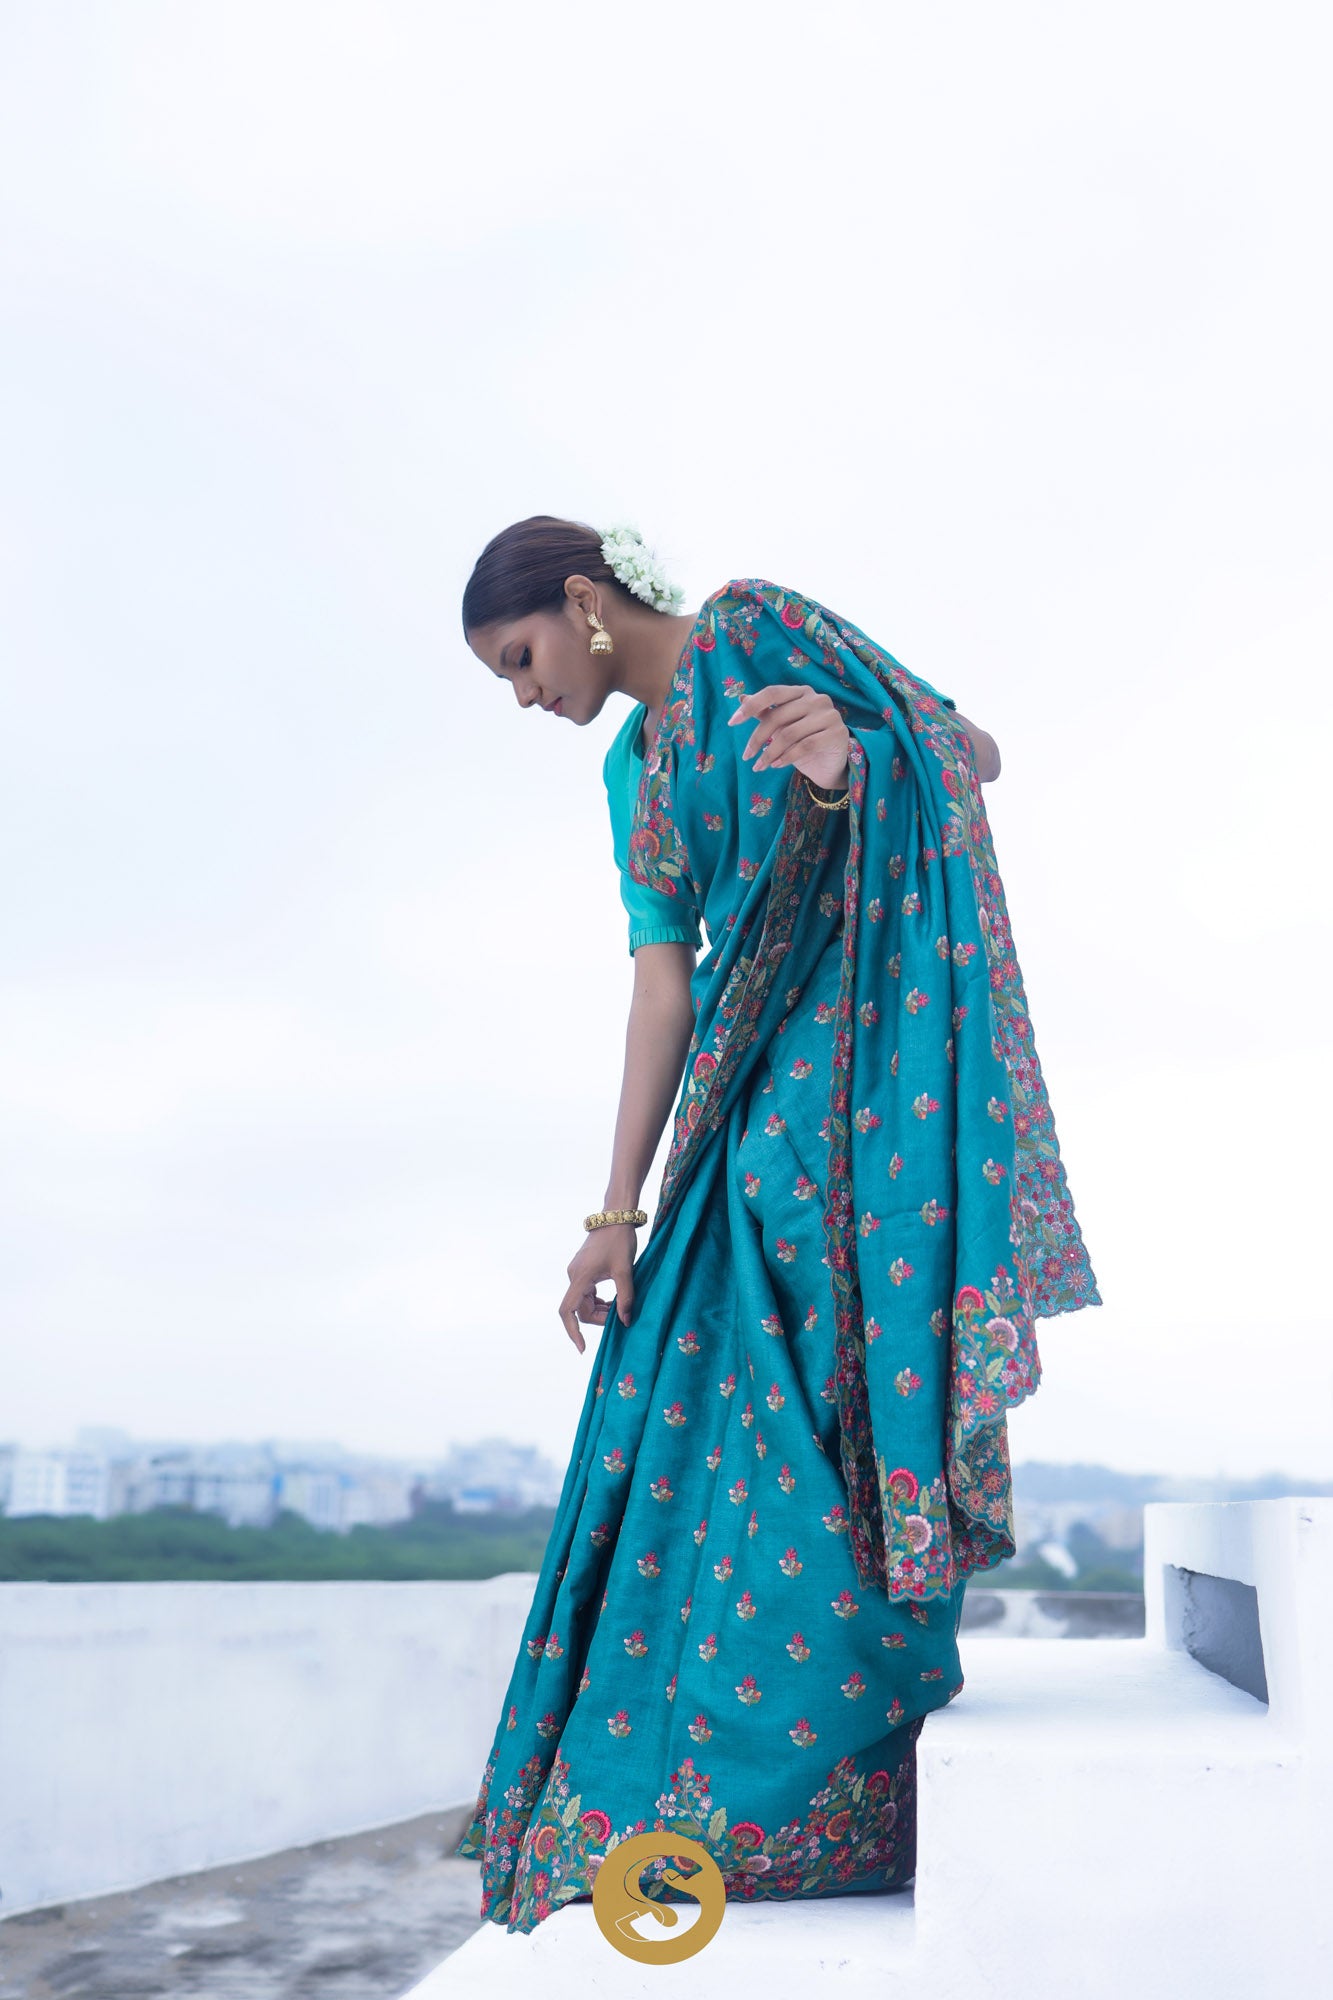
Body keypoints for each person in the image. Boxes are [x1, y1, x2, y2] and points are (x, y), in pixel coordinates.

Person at [456, 515, 1100, 1935]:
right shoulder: (635, 773)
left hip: (871, 1108)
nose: (523, 695)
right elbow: (662, 990)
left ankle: (845, 1776)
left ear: (582, 600)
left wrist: (849, 760)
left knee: (849, 1419)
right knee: (706, 1432)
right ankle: (727, 1795)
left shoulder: (761, 631)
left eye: (520, 658)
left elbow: (970, 754)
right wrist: (614, 1213)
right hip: (744, 1134)